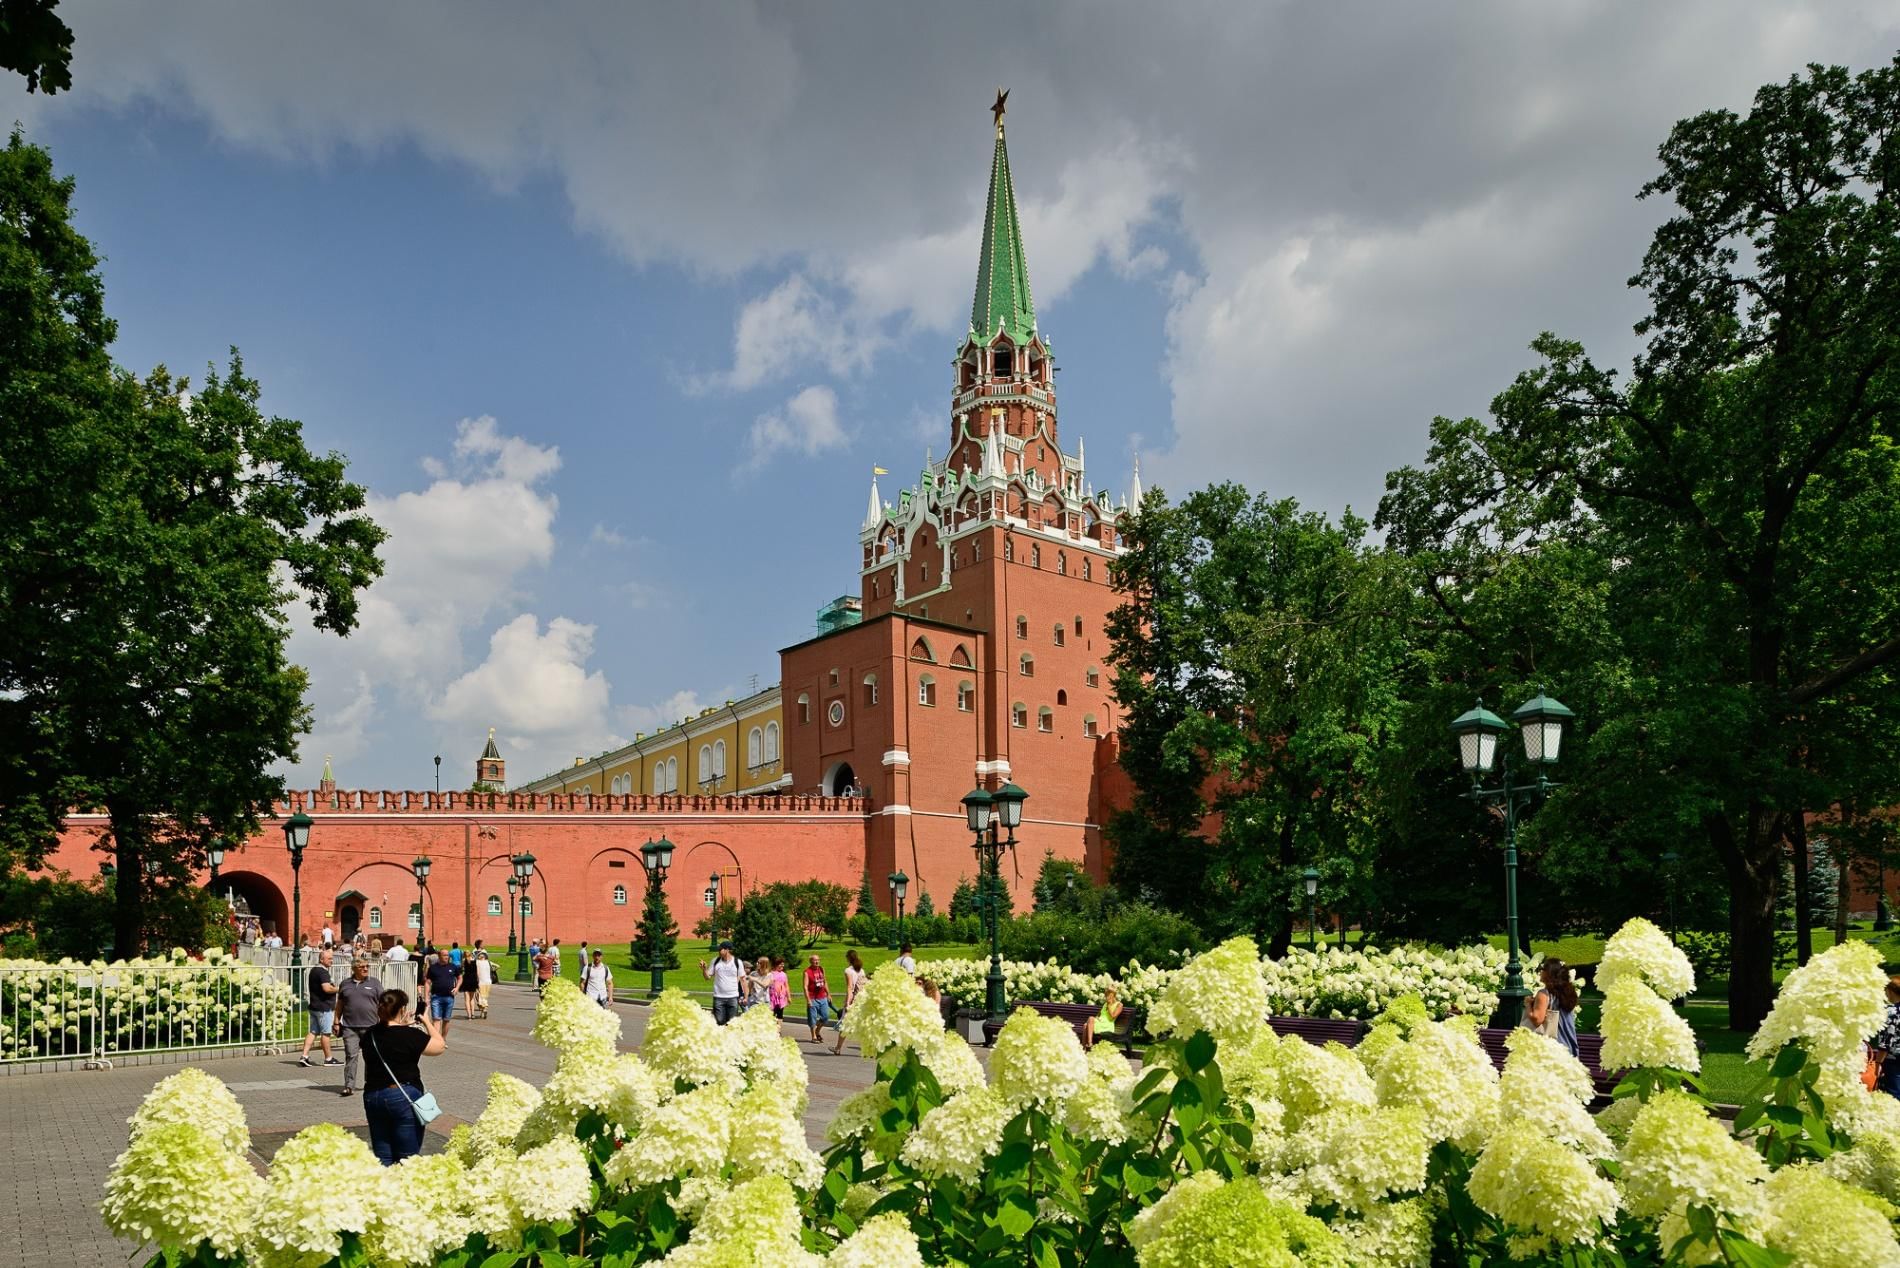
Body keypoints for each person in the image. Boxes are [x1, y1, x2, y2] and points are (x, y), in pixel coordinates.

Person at [360, 987, 446, 1166]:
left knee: (382, 1156)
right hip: (403, 1095)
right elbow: (439, 1046)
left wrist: (401, 1025)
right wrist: (425, 1020)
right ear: (402, 1009)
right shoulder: (411, 1035)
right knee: (407, 1157)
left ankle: (384, 1188)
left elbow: (390, 1035)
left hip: (373, 1096)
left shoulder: (369, 1035)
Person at [335, 956, 385, 1097]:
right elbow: (340, 1005)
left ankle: (370, 1083)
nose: (365, 969)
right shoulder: (345, 984)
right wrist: (336, 1021)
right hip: (350, 1027)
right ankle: (349, 1086)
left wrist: (385, 1023)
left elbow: (382, 1004)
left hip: (371, 1027)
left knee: (370, 1057)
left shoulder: (375, 983)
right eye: (362, 966)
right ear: (354, 969)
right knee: (351, 1055)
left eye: (367, 966)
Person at [1524, 958, 1581, 1057]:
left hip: (1552, 1049)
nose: (1540, 972)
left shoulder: (1544, 994)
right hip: (1568, 1046)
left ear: (1549, 974)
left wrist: (1528, 1004)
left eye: (1543, 969)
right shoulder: (1569, 993)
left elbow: (1537, 1019)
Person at [298, 949, 342, 1068]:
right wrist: (340, 989)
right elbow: (327, 988)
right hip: (324, 1007)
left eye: (332, 958)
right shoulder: (322, 972)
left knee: (313, 1032)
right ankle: (328, 1058)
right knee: (326, 1033)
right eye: (329, 959)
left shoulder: (314, 970)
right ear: (321, 959)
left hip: (315, 1006)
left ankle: (304, 1056)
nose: (331, 961)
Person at [834, 949, 869, 1055]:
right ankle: (869, 1049)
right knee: (864, 1024)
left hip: (854, 999)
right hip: (862, 999)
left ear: (848, 958)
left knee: (844, 1024)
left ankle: (838, 1048)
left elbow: (850, 987)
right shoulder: (861, 970)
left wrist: (848, 1002)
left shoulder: (848, 971)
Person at [700, 941, 743, 1025]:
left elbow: (742, 979)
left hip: (733, 997)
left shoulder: (737, 962)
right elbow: (707, 977)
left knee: (732, 1023)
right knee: (719, 1021)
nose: (718, 951)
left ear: (727, 950)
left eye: (720, 950)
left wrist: (744, 996)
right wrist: (704, 969)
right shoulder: (715, 961)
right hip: (718, 997)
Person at [1871, 977, 1900, 1098]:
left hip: (1893, 1060)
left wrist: (1878, 1063)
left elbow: (1886, 1040)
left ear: (1890, 991)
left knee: (1894, 1094)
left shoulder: (1890, 1011)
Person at [425, 947, 461, 1036]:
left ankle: (443, 1039)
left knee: (446, 1020)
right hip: (436, 997)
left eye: (447, 955)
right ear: (439, 956)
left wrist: (457, 988)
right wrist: (426, 997)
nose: (446, 957)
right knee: (436, 1019)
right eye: (444, 955)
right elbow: (428, 982)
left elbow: (460, 977)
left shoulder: (453, 967)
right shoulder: (433, 968)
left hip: (449, 997)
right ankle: (437, 1040)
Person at [803, 953, 836, 1047]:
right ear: (811, 961)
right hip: (812, 998)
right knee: (812, 1018)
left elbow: (825, 982)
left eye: (818, 960)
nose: (817, 961)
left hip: (822, 997)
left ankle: (817, 1031)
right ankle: (813, 1036)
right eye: (815, 960)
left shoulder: (821, 969)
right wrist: (808, 999)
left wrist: (828, 994)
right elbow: (805, 987)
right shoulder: (807, 972)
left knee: (825, 1017)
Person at [1083, 985, 1124, 1051]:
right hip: (1100, 1022)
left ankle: (1088, 1045)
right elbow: (1099, 1014)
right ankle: (1085, 1047)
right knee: (1085, 1025)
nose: (1107, 996)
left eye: (1109, 994)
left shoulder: (1119, 1005)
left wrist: (1109, 1005)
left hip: (1107, 1024)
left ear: (1113, 995)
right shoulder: (1105, 1004)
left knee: (1088, 1022)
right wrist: (1097, 1018)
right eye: (1106, 994)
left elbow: (1112, 1017)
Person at [459, 946, 482, 1019]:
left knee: (467, 999)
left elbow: (461, 969)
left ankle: (469, 1015)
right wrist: (478, 981)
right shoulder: (475, 961)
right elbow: (477, 972)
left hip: (466, 980)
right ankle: (473, 1014)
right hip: (473, 980)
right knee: (472, 999)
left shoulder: (463, 961)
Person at [474, 949, 494, 1018]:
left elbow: (476, 973)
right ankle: (482, 1012)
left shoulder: (477, 962)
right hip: (488, 981)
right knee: (485, 996)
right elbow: (497, 966)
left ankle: (485, 1007)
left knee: (480, 996)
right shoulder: (488, 962)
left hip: (481, 981)